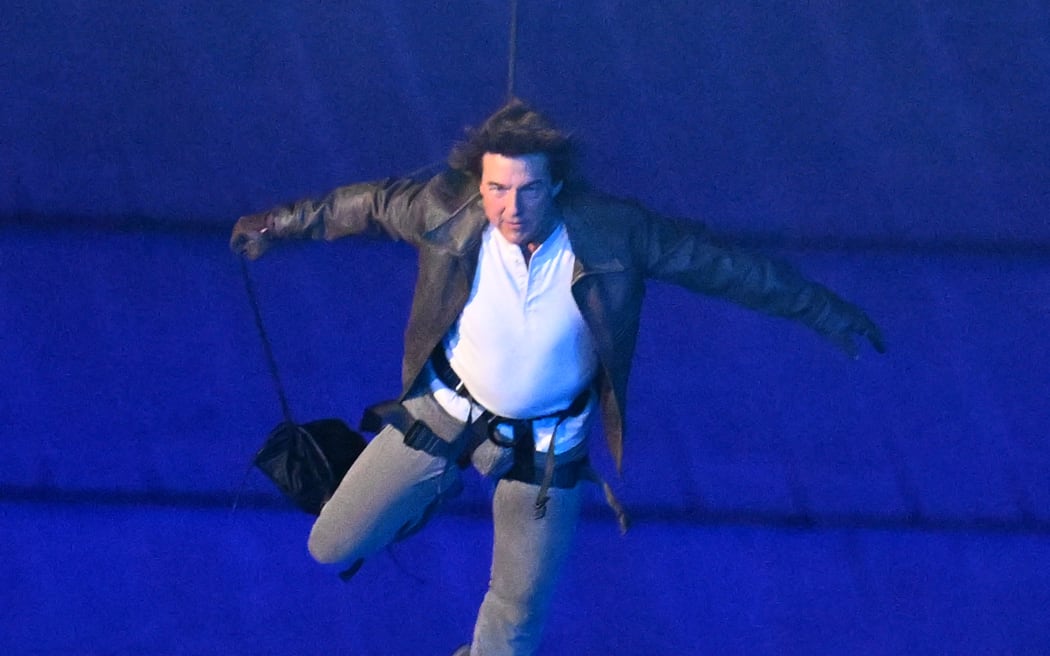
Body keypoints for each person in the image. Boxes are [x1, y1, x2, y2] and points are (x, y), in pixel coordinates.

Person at [229, 99, 884, 655]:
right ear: (477, 184)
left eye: (528, 189)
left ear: (558, 186)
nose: (511, 208)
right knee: (332, 543)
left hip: (543, 450)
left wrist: (820, 309)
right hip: (443, 415)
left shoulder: (616, 233)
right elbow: (366, 205)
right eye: (496, 189)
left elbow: (723, 266)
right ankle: (426, 485)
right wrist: (275, 224)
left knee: (513, 627)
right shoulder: (444, 210)